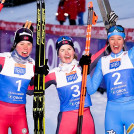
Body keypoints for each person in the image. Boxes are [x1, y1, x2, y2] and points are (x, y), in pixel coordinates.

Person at [82, 25, 134, 134]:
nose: (116, 43)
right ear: (108, 41)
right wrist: (85, 71)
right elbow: (91, 90)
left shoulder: (130, 56)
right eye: (112, 39)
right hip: (113, 113)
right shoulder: (103, 62)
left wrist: (114, 22)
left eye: (119, 39)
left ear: (124, 39)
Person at [45, 36, 95, 134]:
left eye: (69, 49)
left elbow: (105, 51)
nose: (67, 52)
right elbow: (32, 88)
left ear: (74, 51)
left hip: (85, 117)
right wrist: (38, 74)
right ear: (58, 54)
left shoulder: (82, 66)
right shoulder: (55, 73)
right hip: (66, 120)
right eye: (62, 50)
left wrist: (87, 64)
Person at [0, 22, 35, 134]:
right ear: (15, 44)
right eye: (21, 43)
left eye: (29, 44)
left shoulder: (32, 65)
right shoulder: (4, 59)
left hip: (19, 116)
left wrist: (40, 77)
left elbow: (31, 90)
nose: (25, 47)